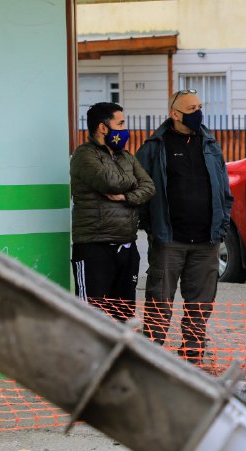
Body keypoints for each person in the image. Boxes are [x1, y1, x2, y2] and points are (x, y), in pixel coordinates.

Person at [135, 90, 233, 364]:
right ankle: (151, 359)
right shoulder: (155, 146)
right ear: (174, 114)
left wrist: (222, 225)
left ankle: (193, 355)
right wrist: (151, 227)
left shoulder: (210, 143)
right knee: (159, 302)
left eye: (200, 106)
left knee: (200, 304)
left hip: (206, 241)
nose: (198, 112)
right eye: (191, 108)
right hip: (169, 241)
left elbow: (223, 188)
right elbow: (140, 187)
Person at [70, 102, 155, 321]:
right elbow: (109, 182)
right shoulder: (84, 155)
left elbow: (149, 187)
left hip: (126, 246)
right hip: (94, 248)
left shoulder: (126, 157)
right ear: (103, 128)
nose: (125, 129)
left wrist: (127, 196)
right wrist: (133, 182)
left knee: (123, 317)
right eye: (121, 123)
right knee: (92, 318)